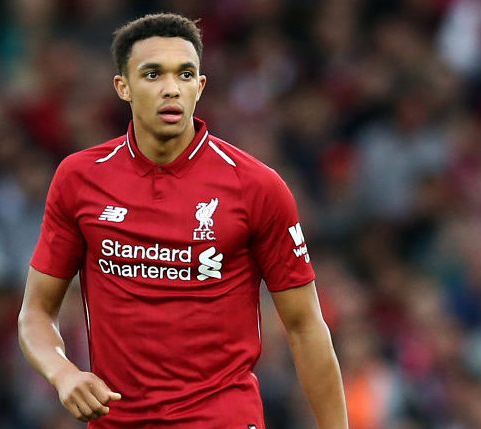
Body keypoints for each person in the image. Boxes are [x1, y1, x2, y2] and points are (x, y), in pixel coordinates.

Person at [18, 13, 348, 429]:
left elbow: (305, 327)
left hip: (223, 419)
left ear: (200, 86)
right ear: (123, 87)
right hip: (118, 422)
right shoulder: (79, 179)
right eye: (153, 74)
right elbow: (35, 313)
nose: (171, 88)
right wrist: (63, 372)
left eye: (185, 74)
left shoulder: (256, 186)